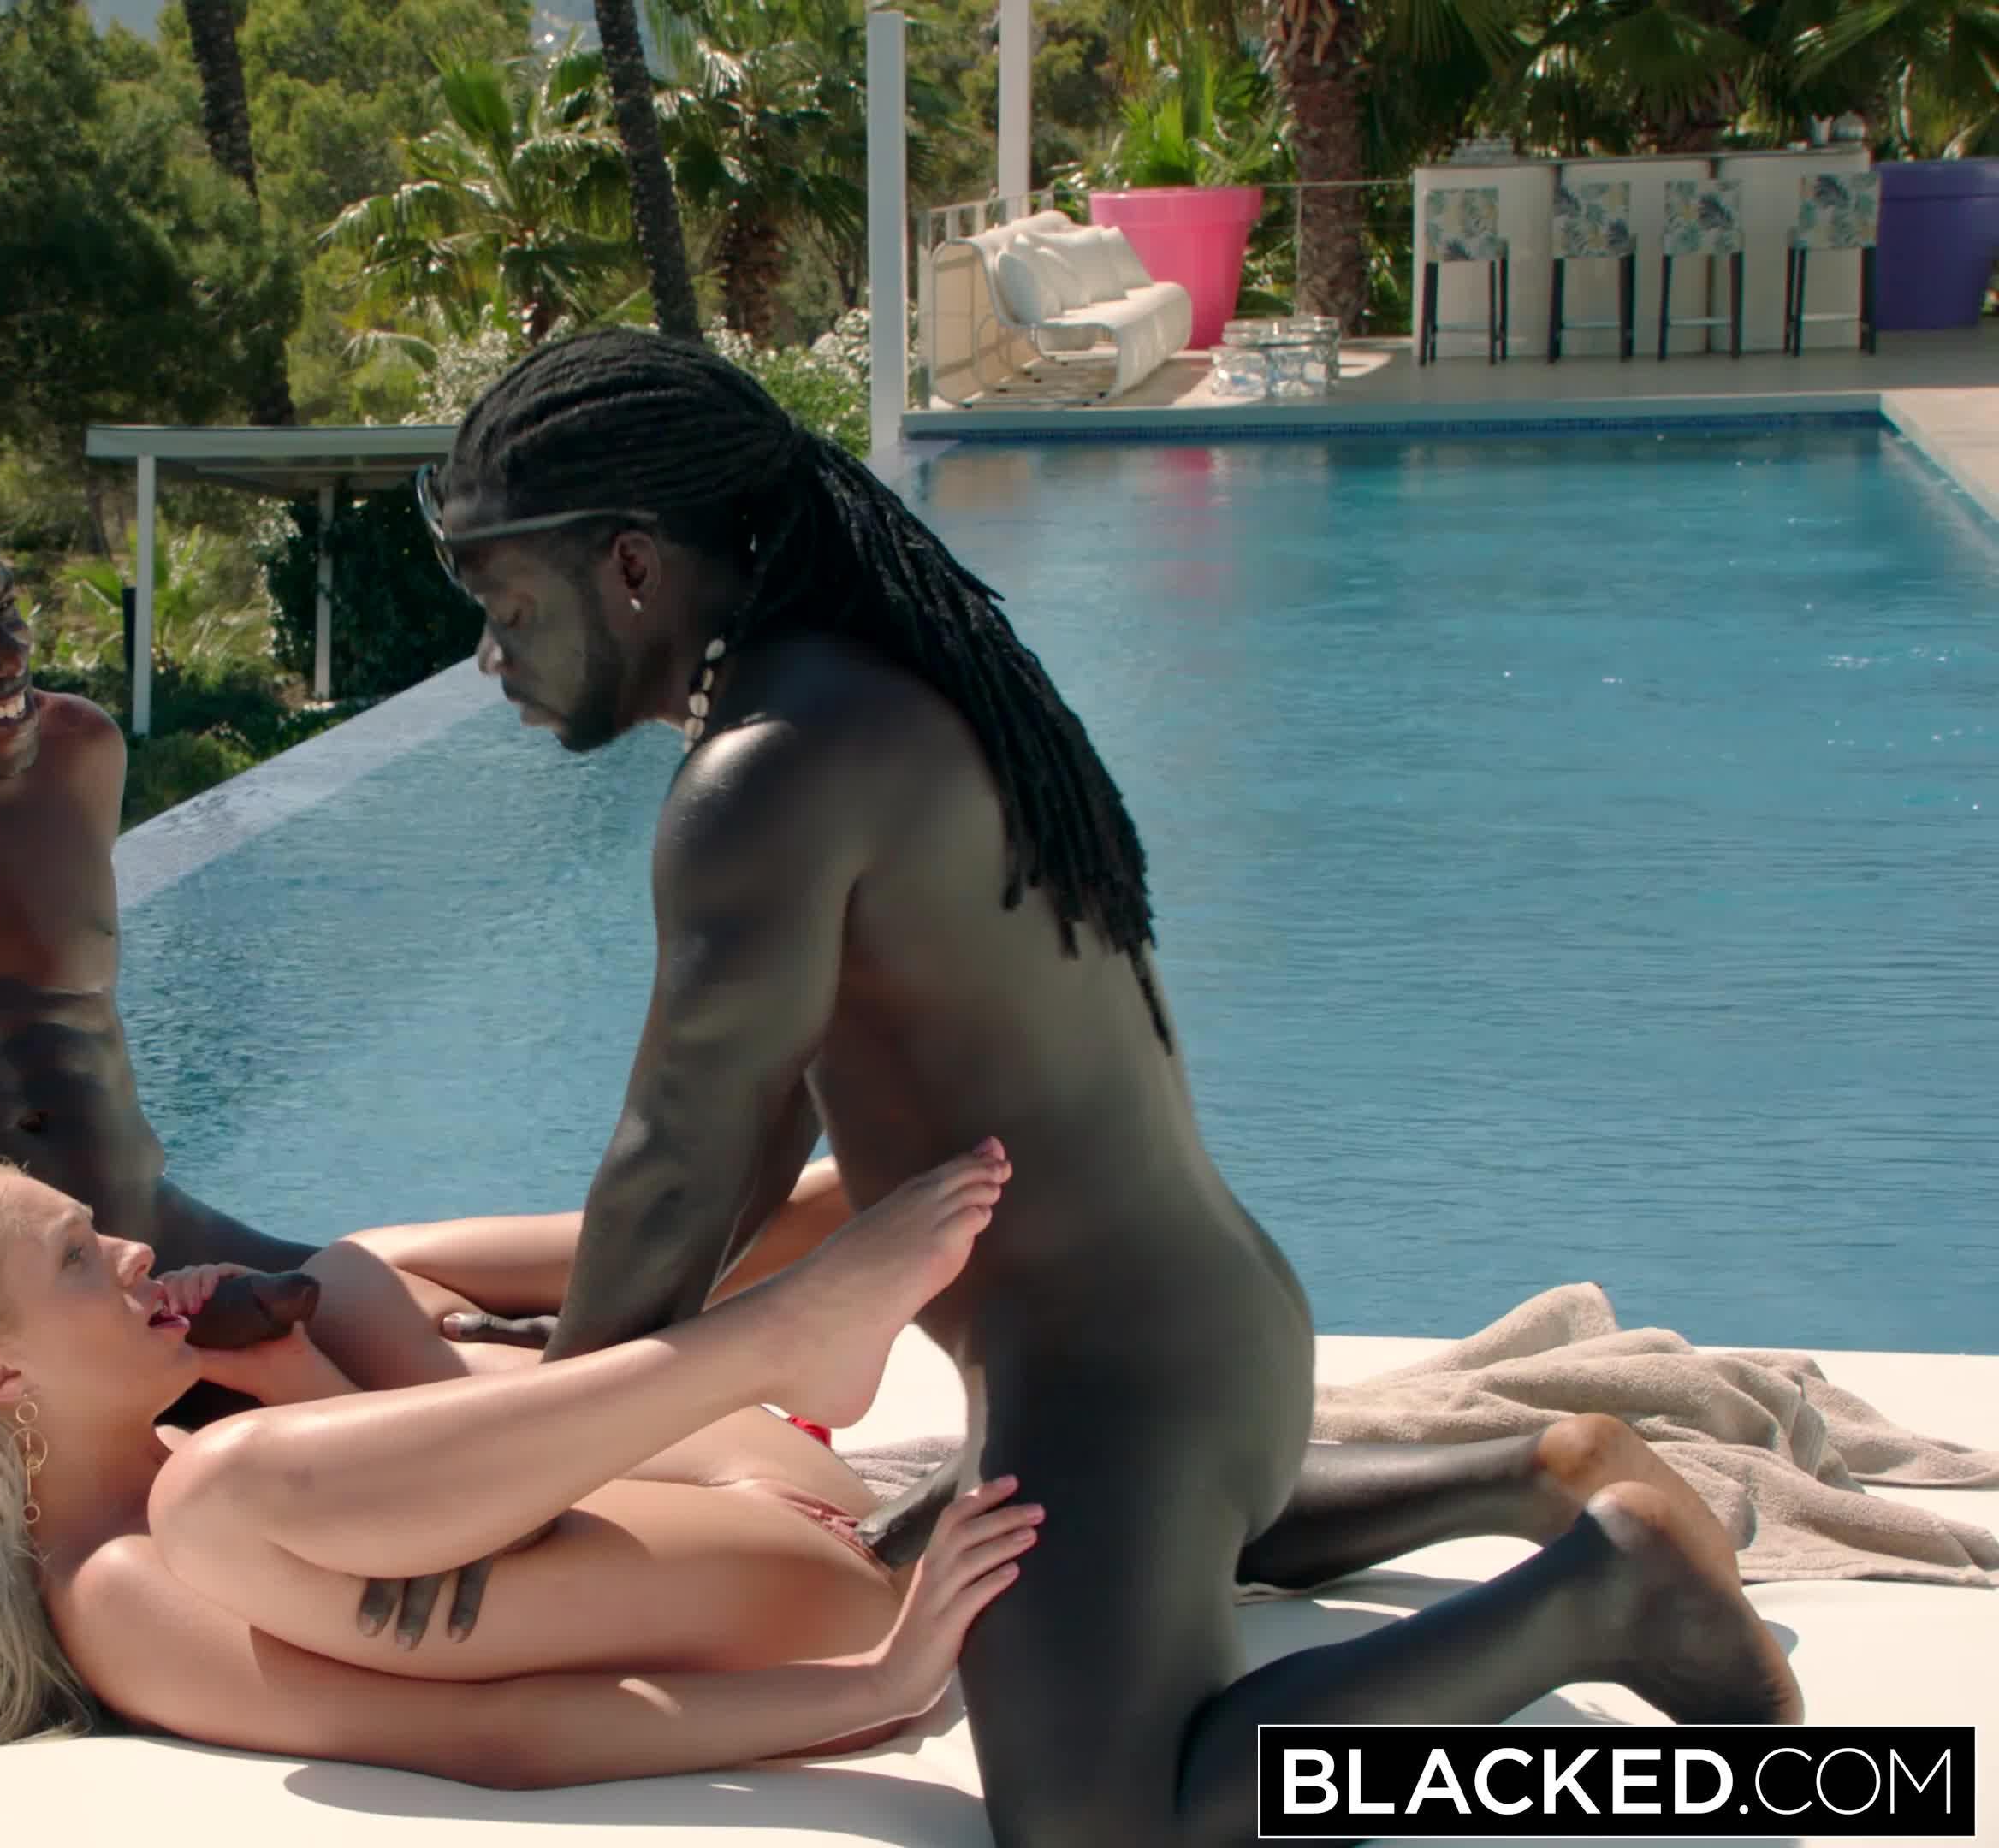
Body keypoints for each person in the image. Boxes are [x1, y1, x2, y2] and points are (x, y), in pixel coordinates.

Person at [409, 329, 1800, 1845]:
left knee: (1105, 1828)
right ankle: (1525, 1467)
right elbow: (754, 1121)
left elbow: (676, 1150)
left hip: (1117, 1388)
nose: (492, 656)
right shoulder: (875, 687)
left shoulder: (768, 773)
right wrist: (600, 1354)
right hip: (1209, 1351)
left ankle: (1604, 1594)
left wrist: (516, 1474)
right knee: (1155, 1531)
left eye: (506, 604)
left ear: (630, 567)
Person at [0, 476, 851, 1628]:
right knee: (449, 1414)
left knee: (480, 1292)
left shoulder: (72, 757)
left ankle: (852, 1237)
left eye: (5, 609)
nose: (5, 654)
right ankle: (527, 1348)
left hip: (166, 1265)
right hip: (0, 1351)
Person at [0, 1143, 1043, 1778]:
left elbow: (446, 1564)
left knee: (350, 1279)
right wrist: (878, 1687)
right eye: (75, 1258)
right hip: (830, 1597)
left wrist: (289, 1371)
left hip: (755, 1499)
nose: (131, 1250)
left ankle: (858, 1196)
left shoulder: (181, 1459)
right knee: (227, 1489)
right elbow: (489, 1732)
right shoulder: (121, 1587)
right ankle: (785, 1325)